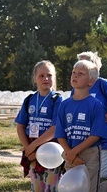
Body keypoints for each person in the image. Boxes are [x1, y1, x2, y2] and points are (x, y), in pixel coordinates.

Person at [55, 60, 107, 192]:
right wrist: (70, 153)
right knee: (73, 187)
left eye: (81, 74)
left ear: (91, 82)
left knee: (90, 187)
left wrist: (74, 152)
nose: (75, 76)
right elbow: (60, 133)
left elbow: (96, 134)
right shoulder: (64, 105)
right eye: (73, 72)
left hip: (90, 152)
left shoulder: (96, 105)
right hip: (69, 151)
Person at [15, 60, 64, 191]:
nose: (46, 78)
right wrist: (28, 148)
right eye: (41, 76)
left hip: (51, 149)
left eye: (49, 75)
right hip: (32, 151)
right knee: (36, 187)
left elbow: (55, 129)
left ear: (54, 78)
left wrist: (31, 147)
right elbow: (20, 126)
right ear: (35, 79)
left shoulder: (57, 100)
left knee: (51, 187)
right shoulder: (29, 99)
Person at [75, 51, 107, 181]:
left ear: (96, 67)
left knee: (102, 182)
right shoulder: (76, 88)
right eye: (78, 64)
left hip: (106, 145)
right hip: (82, 145)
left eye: (86, 63)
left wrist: (95, 121)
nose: (81, 67)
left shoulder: (104, 85)